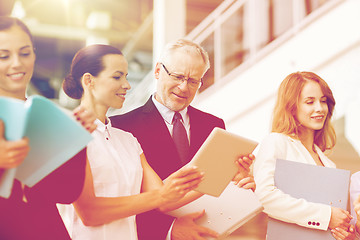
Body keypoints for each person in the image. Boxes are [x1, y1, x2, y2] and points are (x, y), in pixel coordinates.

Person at [110, 39, 255, 240]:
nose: (184, 87)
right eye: (178, 76)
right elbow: (121, 199)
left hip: (207, 232)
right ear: (158, 71)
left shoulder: (214, 125)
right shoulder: (122, 127)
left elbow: (214, 190)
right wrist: (168, 230)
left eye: (193, 81)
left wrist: (239, 181)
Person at [60, 44, 209, 240]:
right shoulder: (68, 131)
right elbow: (90, 213)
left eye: (126, 77)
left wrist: (224, 175)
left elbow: (165, 200)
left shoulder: (128, 140)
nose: (127, 85)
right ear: (89, 81)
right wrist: (162, 195)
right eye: (117, 77)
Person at [0, 16, 96, 239]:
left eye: (24, 53)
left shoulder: (44, 117)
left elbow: (65, 193)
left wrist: (76, 139)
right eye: (4, 56)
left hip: (43, 229)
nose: (17, 63)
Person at [253, 71, 356, 240]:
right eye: (310, 102)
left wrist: (347, 232)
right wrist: (327, 216)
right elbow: (264, 197)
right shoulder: (276, 142)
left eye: (323, 101)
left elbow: (337, 219)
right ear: (291, 106)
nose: (319, 108)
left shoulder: (329, 164)